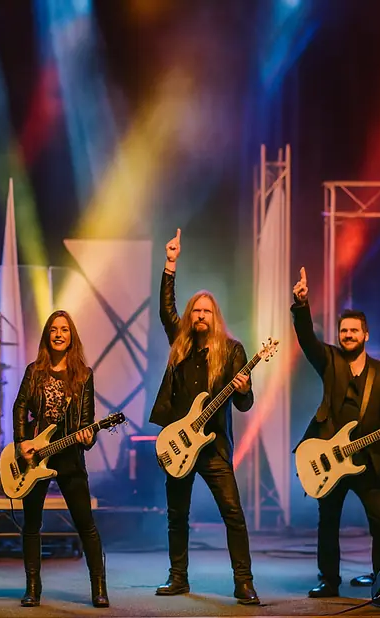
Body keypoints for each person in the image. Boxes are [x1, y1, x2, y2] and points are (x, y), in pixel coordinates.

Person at [149, 229, 260, 605]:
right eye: (195, 310)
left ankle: (243, 582)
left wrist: (243, 389)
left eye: (206, 311)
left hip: (213, 447)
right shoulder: (179, 345)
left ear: (215, 317)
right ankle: (177, 578)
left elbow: (244, 404)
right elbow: (166, 309)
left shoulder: (232, 351)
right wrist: (170, 264)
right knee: (177, 516)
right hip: (179, 444)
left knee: (233, 513)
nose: (199, 316)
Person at [291, 266, 380, 597]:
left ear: (365, 335)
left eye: (353, 331)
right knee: (328, 522)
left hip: (368, 460)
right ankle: (329, 581)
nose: (347, 335)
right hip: (329, 457)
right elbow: (305, 338)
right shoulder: (329, 359)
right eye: (343, 331)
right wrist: (301, 305)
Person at [13, 310, 109, 608]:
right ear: (47, 335)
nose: (58, 334)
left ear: (71, 336)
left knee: (85, 523)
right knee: (31, 523)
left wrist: (88, 437)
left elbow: (87, 422)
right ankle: (32, 588)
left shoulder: (83, 375)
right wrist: (21, 442)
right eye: (54, 329)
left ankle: (99, 588)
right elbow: (19, 407)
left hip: (68, 457)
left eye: (64, 330)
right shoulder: (35, 371)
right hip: (36, 456)